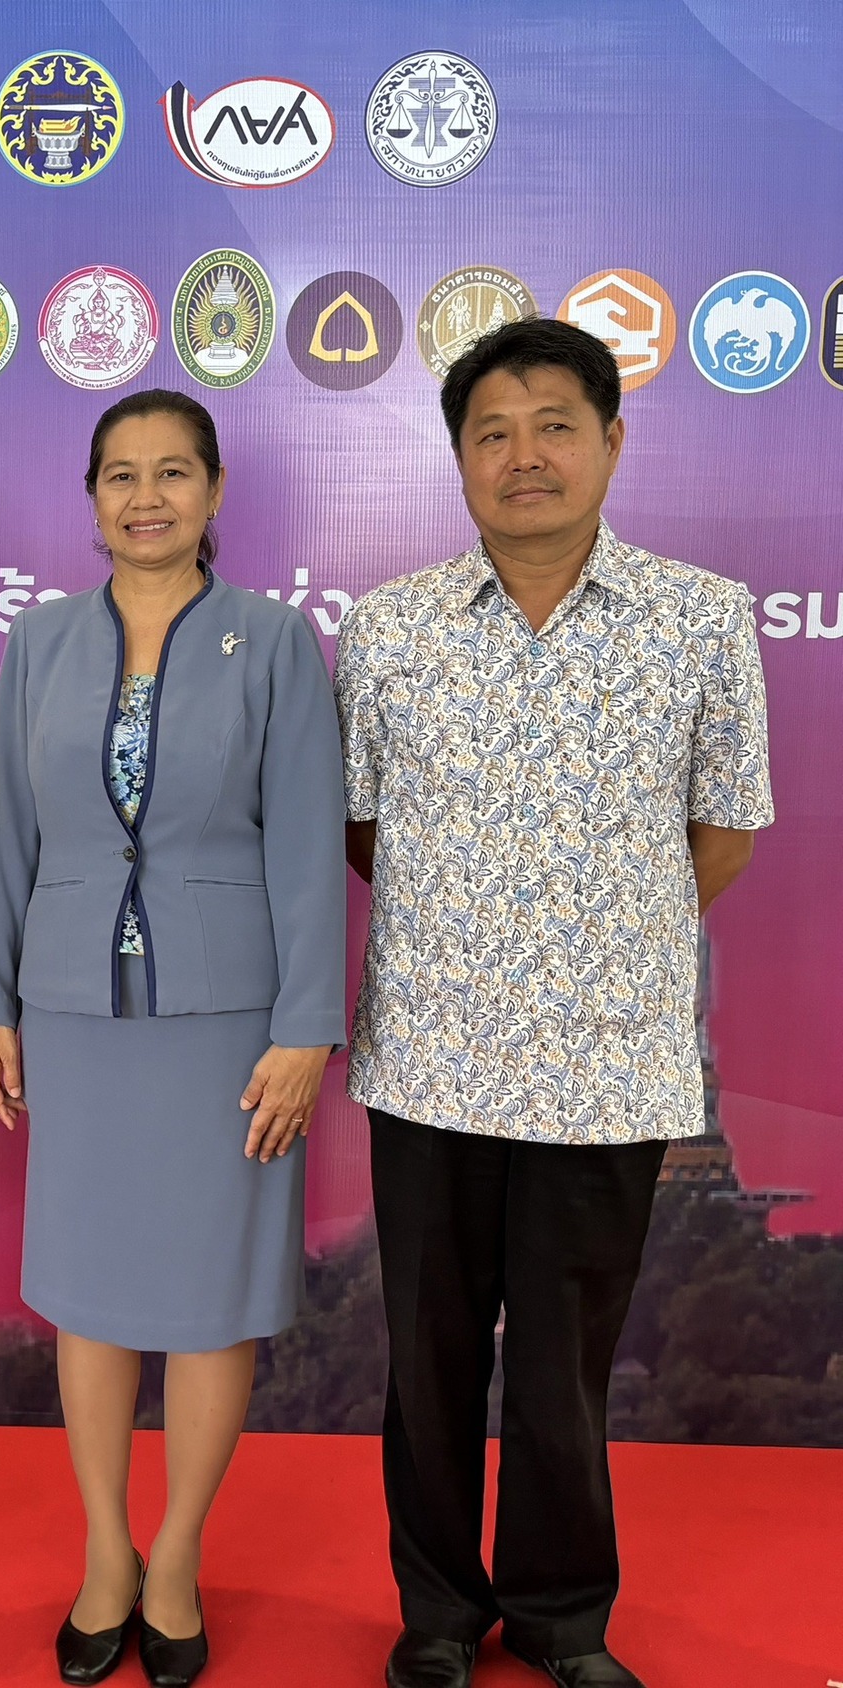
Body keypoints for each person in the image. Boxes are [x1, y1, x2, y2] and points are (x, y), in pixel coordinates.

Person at [337, 318, 772, 1688]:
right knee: (429, 1360)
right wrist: (470, 930)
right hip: (429, 1056)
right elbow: (362, 827)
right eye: (492, 433)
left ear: (611, 442)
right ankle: (437, 1615)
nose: (523, 456)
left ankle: (562, 1615)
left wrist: (604, 931)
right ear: (460, 458)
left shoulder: (701, 618)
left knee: (564, 1365)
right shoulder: (390, 627)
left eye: (554, 426)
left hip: (608, 1061)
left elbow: (725, 827)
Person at [0, 389, 347, 1688]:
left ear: (214, 491)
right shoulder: (40, 642)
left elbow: (306, 846)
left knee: (207, 1300)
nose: (146, 497)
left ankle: (175, 1555)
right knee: (88, 1292)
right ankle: (106, 1552)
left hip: (228, 1022)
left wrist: (305, 1029)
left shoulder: (275, 641)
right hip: (74, 1010)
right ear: (91, 498)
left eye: (173, 471)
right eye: (120, 475)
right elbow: (7, 838)